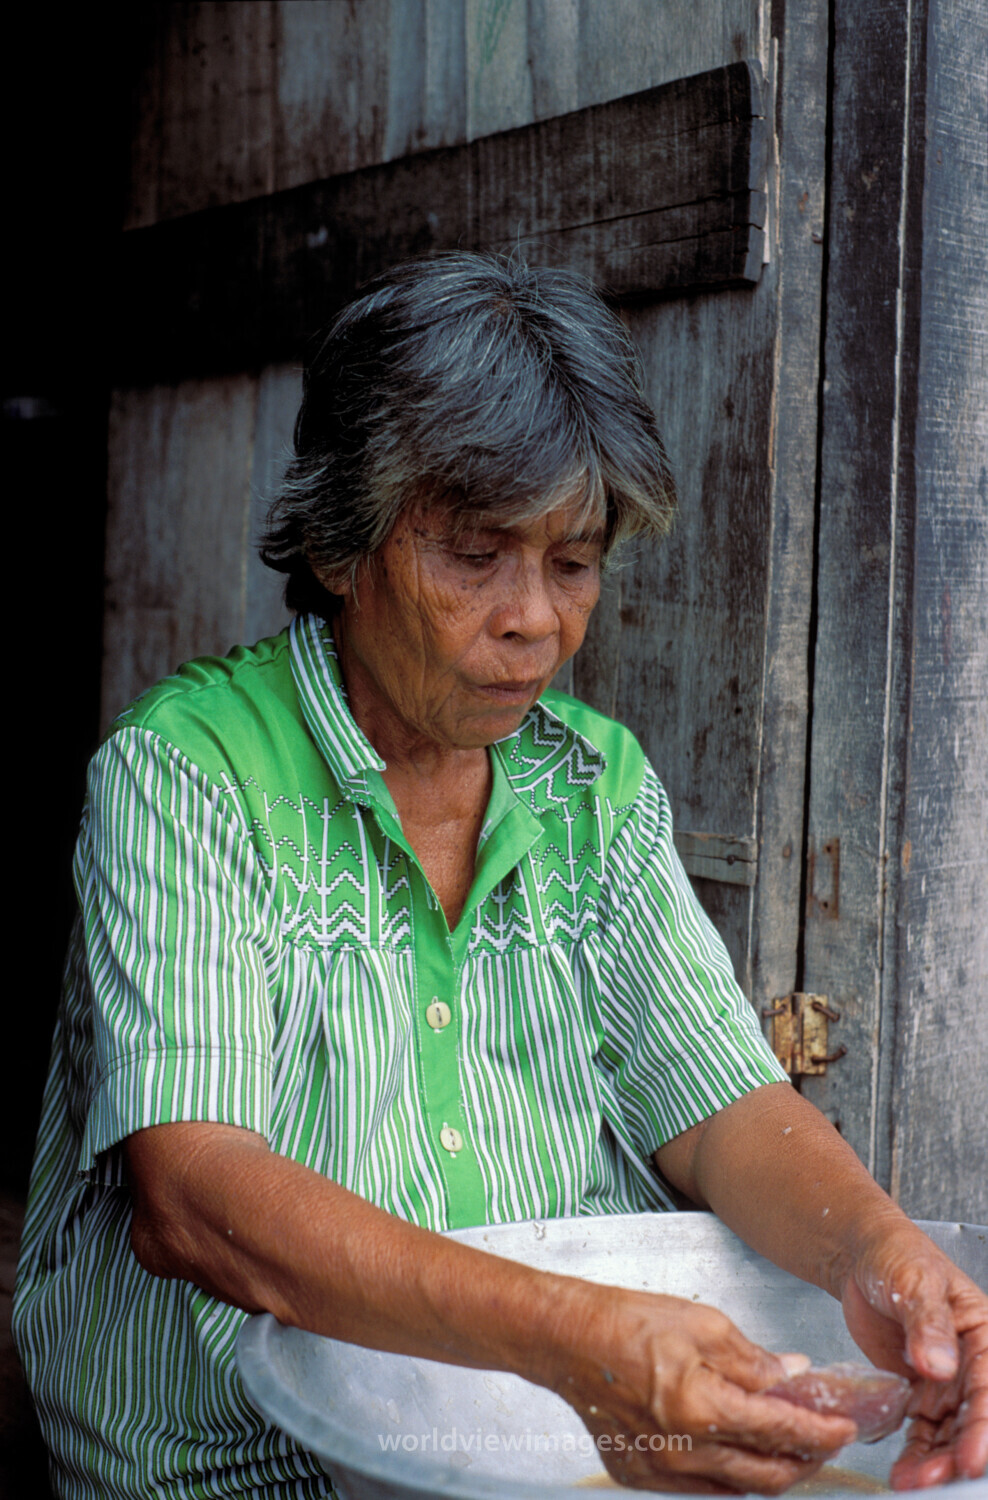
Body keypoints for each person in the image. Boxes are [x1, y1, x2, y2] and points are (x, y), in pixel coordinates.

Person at [14, 254, 987, 1499]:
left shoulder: (595, 791)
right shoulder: (189, 778)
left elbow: (720, 1109)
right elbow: (195, 1199)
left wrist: (882, 1258)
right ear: (337, 545)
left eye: (571, 563)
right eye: (474, 556)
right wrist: (579, 1337)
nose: (534, 619)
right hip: (237, 1465)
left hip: (544, 1442)